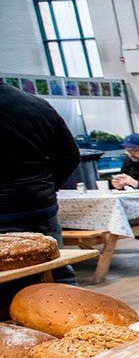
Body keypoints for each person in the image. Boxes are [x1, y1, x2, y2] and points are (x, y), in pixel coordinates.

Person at [0, 82, 80, 287]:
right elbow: (70, 155)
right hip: (40, 206)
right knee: (56, 274)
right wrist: (46, 186)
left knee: (8, 286)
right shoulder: (37, 104)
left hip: (9, 212)